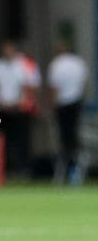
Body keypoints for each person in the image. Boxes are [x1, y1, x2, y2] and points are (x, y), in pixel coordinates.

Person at [0, 40, 41, 178]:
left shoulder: (25, 64)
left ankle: (23, 169)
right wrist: (0, 102)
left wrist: (21, 102)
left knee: (22, 140)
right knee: (3, 141)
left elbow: (32, 86)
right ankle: (4, 170)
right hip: (2, 108)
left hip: (20, 109)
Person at [46, 38, 88, 185]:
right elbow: (83, 85)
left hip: (62, 105)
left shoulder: (56, 65)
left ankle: (65, 171)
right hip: (76, 104)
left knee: (64, 140)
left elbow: (54, 89)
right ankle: (76, 169)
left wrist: (51, 107)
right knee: (74, 137)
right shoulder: (79, 63)